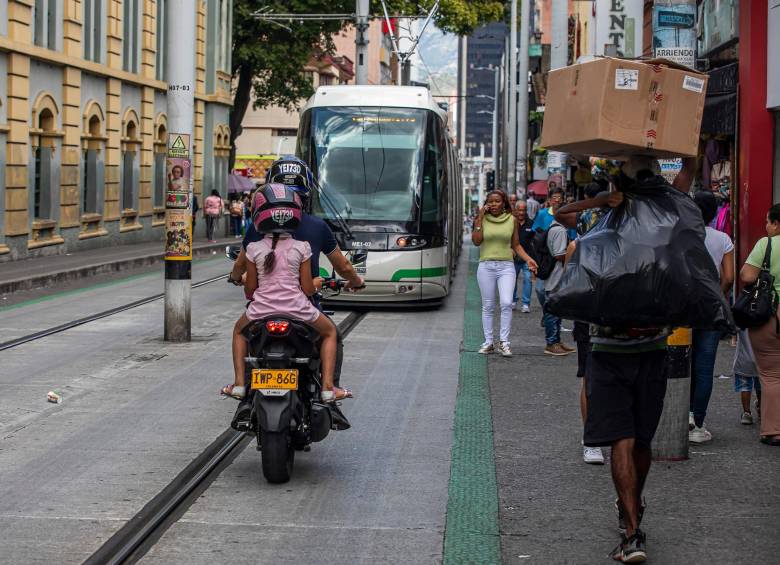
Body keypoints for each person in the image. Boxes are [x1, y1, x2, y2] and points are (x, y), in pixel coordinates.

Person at [569, 157, 673, 562]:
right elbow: (564, 217)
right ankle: (632, 530)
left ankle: (632, 505)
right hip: (615, 354)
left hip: (643, 352)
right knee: (624, 441)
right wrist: (600, 200)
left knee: (638, 442)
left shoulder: (661, 229)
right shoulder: (609, 229)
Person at [227, 157, 364, 413]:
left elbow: (244, 274)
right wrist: (355, 282)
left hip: (262, 310)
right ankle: (328, 389)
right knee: (331, 334)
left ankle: (243, 389)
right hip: (302, 306)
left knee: (243, 334)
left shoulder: (256, 233)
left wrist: (240, 278)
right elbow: (341, 268)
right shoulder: (315, 230)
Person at [556, 182, 613, 464]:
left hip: (619, 312)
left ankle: (605, 432)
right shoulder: (585, 229)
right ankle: (591, 438)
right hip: (589, 315)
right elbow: (561, 211)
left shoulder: (629, 222)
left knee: (613, 378)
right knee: (590, 378)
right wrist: (595, 202)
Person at [688, 191, 735, 443]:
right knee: (705, 368)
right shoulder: (723, 239)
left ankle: (682, 415)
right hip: (711, 309)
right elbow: (728, 277)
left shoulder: (682, 235)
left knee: (681, 363)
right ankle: (698, 424)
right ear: (714, 213)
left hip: (683, 309)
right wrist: (719, 294)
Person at [472, 190, 538, 357]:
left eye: (497, 201)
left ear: (504, 203)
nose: (494, 204)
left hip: (506, 266)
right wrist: (480, 217)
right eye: (491, 201)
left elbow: (516, 245)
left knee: (507, 303)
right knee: (487, 306)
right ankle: (488, 342)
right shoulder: (482, 220)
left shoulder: (512, 220)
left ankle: (504, 342)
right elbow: (476, 241)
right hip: (486, 266)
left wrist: (529, 259)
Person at [740, 203, 780, 446]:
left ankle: (773, 430)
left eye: (768, 221)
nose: (766, 226)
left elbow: (746, 276)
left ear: (776, 223)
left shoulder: (766, 244)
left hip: (769, 316)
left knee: (772, 375)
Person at [733, 329, 762, 425]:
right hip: (762, 356)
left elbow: (734, 326)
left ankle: (747, 413)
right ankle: (761, 408)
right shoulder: (765, 315)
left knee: (744, 386)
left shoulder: (743, 315)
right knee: (761, 384)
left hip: (744, 357)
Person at [512, 200, 534, 313]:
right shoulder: (511, 222)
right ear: (515, 210)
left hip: (527, 258)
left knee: (528, 279)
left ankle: (526, 303)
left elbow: (535, 241)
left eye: (523, 210)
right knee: (512, 280)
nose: (521, 212)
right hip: (513, 258)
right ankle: (513, 301)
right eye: (519, 210)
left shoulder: (531, 223)